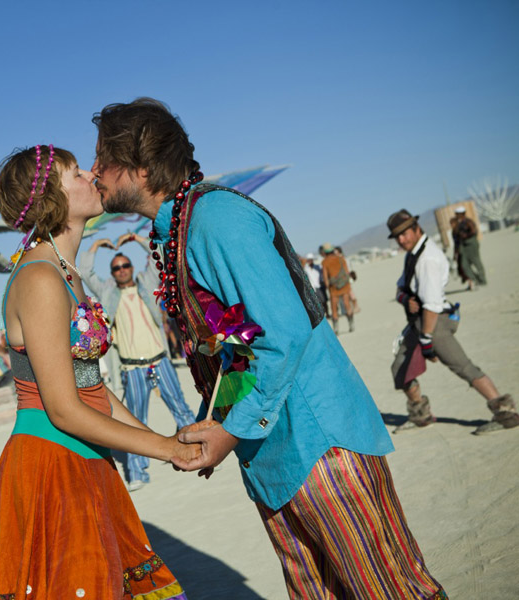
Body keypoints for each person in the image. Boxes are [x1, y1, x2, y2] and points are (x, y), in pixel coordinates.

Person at [91, 98, 445, 599]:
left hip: (318, 447)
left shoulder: (216, 219)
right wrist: (218, 422)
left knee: (388, 590)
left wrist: (230, 430)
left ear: (141, 167)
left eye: (103, 158)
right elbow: (240, 350)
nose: (93, 171)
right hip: (274, 454)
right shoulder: (177, 229)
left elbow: (283, 336)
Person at [0, 144, 192, 599]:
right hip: (52, 462)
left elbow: (92, 387)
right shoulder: (40, 279)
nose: (92, 174)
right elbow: (63, 409)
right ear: (51, 199)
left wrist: (167, 443)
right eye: (76, 173)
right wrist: (162, 448)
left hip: (85, 457)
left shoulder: (68, 275)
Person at [79, 233, 196, 491]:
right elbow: (85, 271)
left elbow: (160, 259)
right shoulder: (108, 292)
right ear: (112, 272)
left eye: (125, 265)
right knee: (134, 421)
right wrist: (98, 244)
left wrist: (136, 238)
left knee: (181, 409)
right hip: (131, 367)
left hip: (160, 360)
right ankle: (137, 472)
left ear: (131, 267)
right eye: (116, 268)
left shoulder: (145, 283)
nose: (121, 270)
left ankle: (196, 453)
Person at [387, 209, 517, 435]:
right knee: (400, 369)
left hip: (434, 323)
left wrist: (427, 340)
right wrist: (406, 299)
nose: (401, 239)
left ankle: (505, 413)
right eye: (397, 236)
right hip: (420, 323)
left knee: (463, 366)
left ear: (417, 229)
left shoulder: (427, 258)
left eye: (405, 233)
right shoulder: (413, 253)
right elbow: (400, 288)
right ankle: (421, 415)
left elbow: (431, 305)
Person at [320, 242, 354, 333]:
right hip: (344, 285)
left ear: (325, 252)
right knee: (347, 304)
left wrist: (328, 288)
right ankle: (351, 325)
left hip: (333, 287)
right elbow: (347, 273)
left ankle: (336, 329)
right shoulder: (341, 259)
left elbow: (325, 277)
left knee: (334, 307)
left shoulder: (324, 262)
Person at [453, 205, 486, 289]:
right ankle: (475, 279)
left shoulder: (468, 222)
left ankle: (482, 279)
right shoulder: (458, 224)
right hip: (463, 246)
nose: (456, 215)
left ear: (462, 214)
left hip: (470, 244)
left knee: (476, 261)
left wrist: (465, 236)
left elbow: (474, 231)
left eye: (457, 214)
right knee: (464, 265)